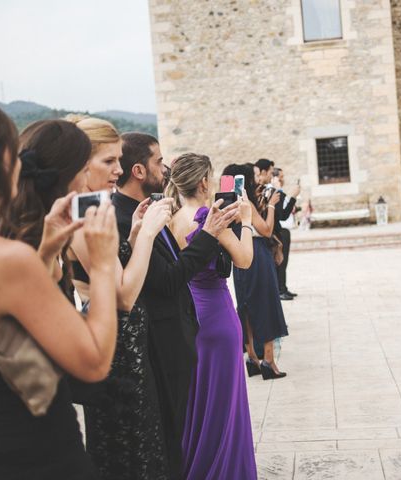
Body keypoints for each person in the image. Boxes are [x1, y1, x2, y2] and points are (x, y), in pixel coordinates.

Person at [0, 98, 118, 478]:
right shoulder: (2, 259)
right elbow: (94, 361)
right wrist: (100, 266)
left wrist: (47, 248)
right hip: (33, 458)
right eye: (13, 156)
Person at [113, 133, 239, 479]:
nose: (164, 167)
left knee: (183, 424)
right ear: (139, 170)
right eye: (158, 161)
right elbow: (169, 280)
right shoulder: (123, 217)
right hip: (161, 336)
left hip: (183, 326)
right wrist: (210, 233)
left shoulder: (148, 212)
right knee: (176, 431)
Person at [64, 119, 173, 479]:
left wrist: (135, 231)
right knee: (130, 455)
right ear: (82, 163)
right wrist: (149, 235)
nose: (120, 170)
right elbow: (122, 296)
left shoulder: (94, 206)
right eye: (109, 161)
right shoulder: (82, 211)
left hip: (129, 347)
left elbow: (111, 269)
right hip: (116, 350)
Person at [165, 153, 257, 479]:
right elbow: (244, 259)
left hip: (188, 318)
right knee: (224, 404)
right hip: (218, 317)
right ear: (205, 182)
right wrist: (245, 219)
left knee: (197, 403)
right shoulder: (208, 217)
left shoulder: (169, 220)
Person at [225, 163, 289, 380]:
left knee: (246, 305)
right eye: (252, 176)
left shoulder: (228, 203)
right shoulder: (246, 204)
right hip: (257, 254)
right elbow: (267, 229)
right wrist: (271, 205)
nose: (256, 179)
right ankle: (269, 361)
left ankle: (252, 357)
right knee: (266, 303)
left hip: (239, 256)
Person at [271, 167, 300, 300]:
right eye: (280, 177)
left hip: (284, 230)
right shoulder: (273, 192)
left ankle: (283, 287)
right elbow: (282, 214)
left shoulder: (278, 192)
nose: (283, 180)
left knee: (285, 261)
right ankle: (280, 289)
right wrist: (292, 196)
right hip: (279, 230)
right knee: (281, 261)